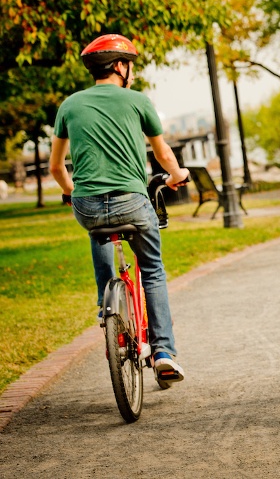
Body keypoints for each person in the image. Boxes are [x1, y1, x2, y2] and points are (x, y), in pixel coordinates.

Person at [49, 34, 189, 387]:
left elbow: (56, 167)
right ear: (121, 66)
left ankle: (105, 306)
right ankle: (163, 353)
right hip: (132, 201)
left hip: (88, 204)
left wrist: (71, 193)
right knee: (152, 271)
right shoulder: (138, 101)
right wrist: (177, 176)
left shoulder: (69, 105)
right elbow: (163, 154)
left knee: (99, 231)